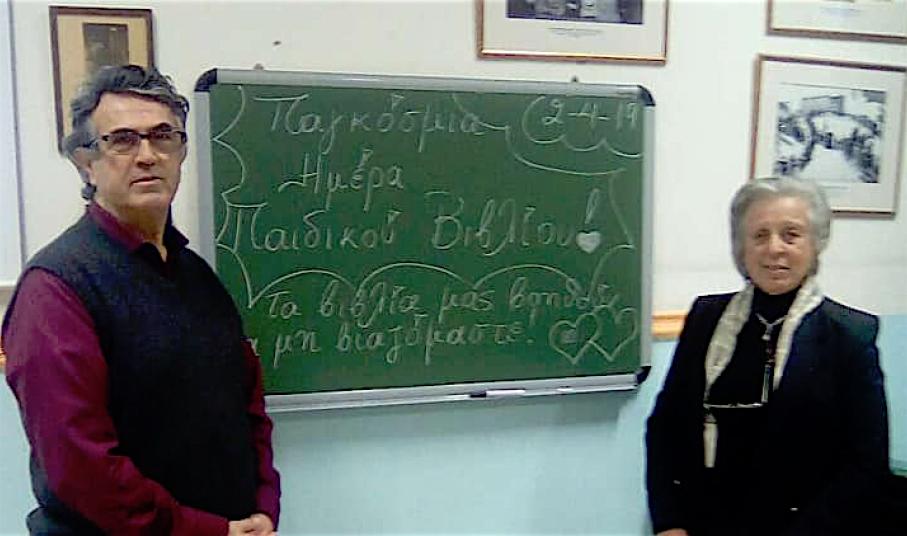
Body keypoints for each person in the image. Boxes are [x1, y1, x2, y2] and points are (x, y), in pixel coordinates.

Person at [2, 65, 280, 535]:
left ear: (182, 152)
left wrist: (264, 508)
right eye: (123, 140)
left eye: (163, 136)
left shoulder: (198, 276)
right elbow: (81, 468)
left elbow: (248, 407)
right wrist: (208, 531)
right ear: (85, 163)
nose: (148, 155)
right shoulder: (55, 289)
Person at [645, 176, 890, 535]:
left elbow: (866, 463)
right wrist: (669, 523)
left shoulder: (850, 335)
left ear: (815, 244)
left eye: (791, 235)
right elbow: (665, 428)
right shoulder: (705, 319)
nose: (775, 249)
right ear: (741, 248)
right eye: (759, 235)